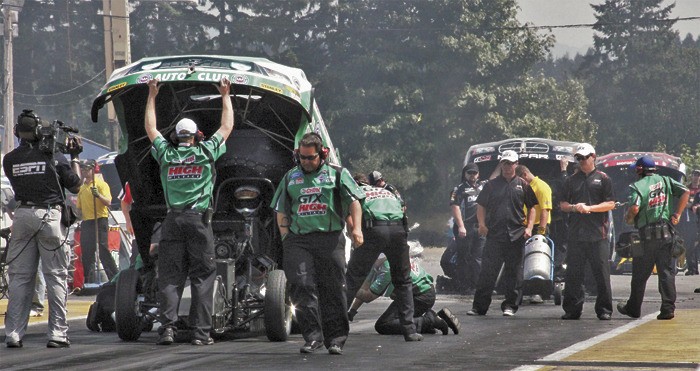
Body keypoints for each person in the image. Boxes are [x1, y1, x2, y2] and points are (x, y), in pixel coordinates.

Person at [145, 76, 234, 346]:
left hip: (172, 221)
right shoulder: (207, 152)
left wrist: (152, 95)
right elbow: (227, 125)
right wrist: (225, 95)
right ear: (197, 136)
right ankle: (200, 334)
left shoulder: (166, 155)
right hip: (198, 221)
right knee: (203, 277)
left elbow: (150, 127)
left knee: (170, 278)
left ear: (175, 137)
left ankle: (167, 330)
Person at [271, 132, 365, 355]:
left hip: (329, 239)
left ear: (321, 155)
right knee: (301, 285)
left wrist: (357, 229)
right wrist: (286, 237)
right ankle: (313, 337)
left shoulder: (337, 174)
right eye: (302, 158)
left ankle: (336, 339)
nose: (306, 162)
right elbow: (281, 208)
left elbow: (354, 202)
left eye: (310, 158)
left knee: (332, 288)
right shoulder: (290, 177)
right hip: (299, 240)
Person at [3, 108, 82, 348]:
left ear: (17, 132)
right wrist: (74, 157)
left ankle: (13, 334)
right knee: (55, 277)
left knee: (19, 278)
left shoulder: (10, 159)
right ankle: (57, 333)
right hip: (49, 217)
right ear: (38, 131)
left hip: (23, 216)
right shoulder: (54, 157)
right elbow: (76, 186)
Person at [345, 173, 421, 341]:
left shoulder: (355, 192)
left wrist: (354, 238)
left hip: (374, 231)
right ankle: (410, 331)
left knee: (352, 279)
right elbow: (403, 210)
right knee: (403, 281)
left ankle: (337, 332)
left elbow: (351, 220)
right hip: (398, 231)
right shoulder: (387, 191)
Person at [466, 150, 538, 317]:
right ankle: (479, 307)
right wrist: (482, 224)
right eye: (504, 163)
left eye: (510, 163)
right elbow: (481, 205)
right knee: (488, 272)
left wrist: (529, 228)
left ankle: (510, 306)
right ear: (501, 164)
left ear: (516, 164)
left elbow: (532, 207)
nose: (507, 167)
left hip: (516, 235)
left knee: (513, 273)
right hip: (495, 235)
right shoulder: (491, 185)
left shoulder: (523, 184)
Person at [617, 156, 689, 320]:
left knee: (639, 275)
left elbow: (634, 208)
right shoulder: (666, 180)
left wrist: (628, 218)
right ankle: (668, 309)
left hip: (646, 238)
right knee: (666, 273)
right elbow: (686, 192)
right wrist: (677, 214)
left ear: (639, 170)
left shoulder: (636, 186)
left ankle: (633, 308)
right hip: (666, 236)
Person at [559, 143, 616, 320]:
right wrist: (576, 207)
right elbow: (562, 205)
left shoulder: (603, 178)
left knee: (601, 273)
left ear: (593, 156)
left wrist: (590, 208)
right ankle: (572, 309)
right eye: (579, 158)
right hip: (576, 233)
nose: (582, 161)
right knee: (574, 273)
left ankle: (604, 309)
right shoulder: (570, 180)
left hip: (598, 234)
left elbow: (611, 204)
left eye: (585, 157)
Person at [348, 250, 460, 336]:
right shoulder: (385, 258)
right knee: (395, 320)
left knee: (384, 325)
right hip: (420, 293)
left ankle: (429, 320)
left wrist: (346, 288)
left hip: (421, 296)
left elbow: (368, 296)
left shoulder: (387, 268)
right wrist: (352, 311)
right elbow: (365, 286)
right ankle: (430, 320)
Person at [445, 163, 486, 293]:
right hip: (464, 227)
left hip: (479, 226)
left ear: (478, 174)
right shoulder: (458, 189)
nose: (472, 175)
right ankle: (464, 286)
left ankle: (477, 285)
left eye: (474, 173)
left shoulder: (483, 186)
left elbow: (495, 176)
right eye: (469, 173)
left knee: (478, 257)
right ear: (465, 174)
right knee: (464, 257)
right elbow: (455, 207)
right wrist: (461, 226)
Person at [515, 164, 552, 304]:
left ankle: (538, 291)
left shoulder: (541, 187)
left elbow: (545, 210)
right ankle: (523, 288)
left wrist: (541, 231)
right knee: (524, 259)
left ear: (524, 174)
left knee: (538, 259)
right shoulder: (525, 187)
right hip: (525, 226)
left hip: (538, 226)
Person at [77, 159, 118, 283]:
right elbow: (79, 209)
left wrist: (98, 195)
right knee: (87, 253)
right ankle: (88, 281)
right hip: (87, 222)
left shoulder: (100, 184)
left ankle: (114, 279)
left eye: (87, 169)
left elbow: (108, 202)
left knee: (103, 250)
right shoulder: (82, 188)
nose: (84, 171)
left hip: (99, 220)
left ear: (92, 170)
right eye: (82, 169)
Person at [683, 169, 700, 275]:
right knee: (689, 245)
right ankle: (691, 268)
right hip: (689, 220)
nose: (696, 177)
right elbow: (684, 203)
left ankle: (696, 268)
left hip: (698, 220)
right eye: (694, 174)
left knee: (696, 245)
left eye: (698, 175)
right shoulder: (686, 188)